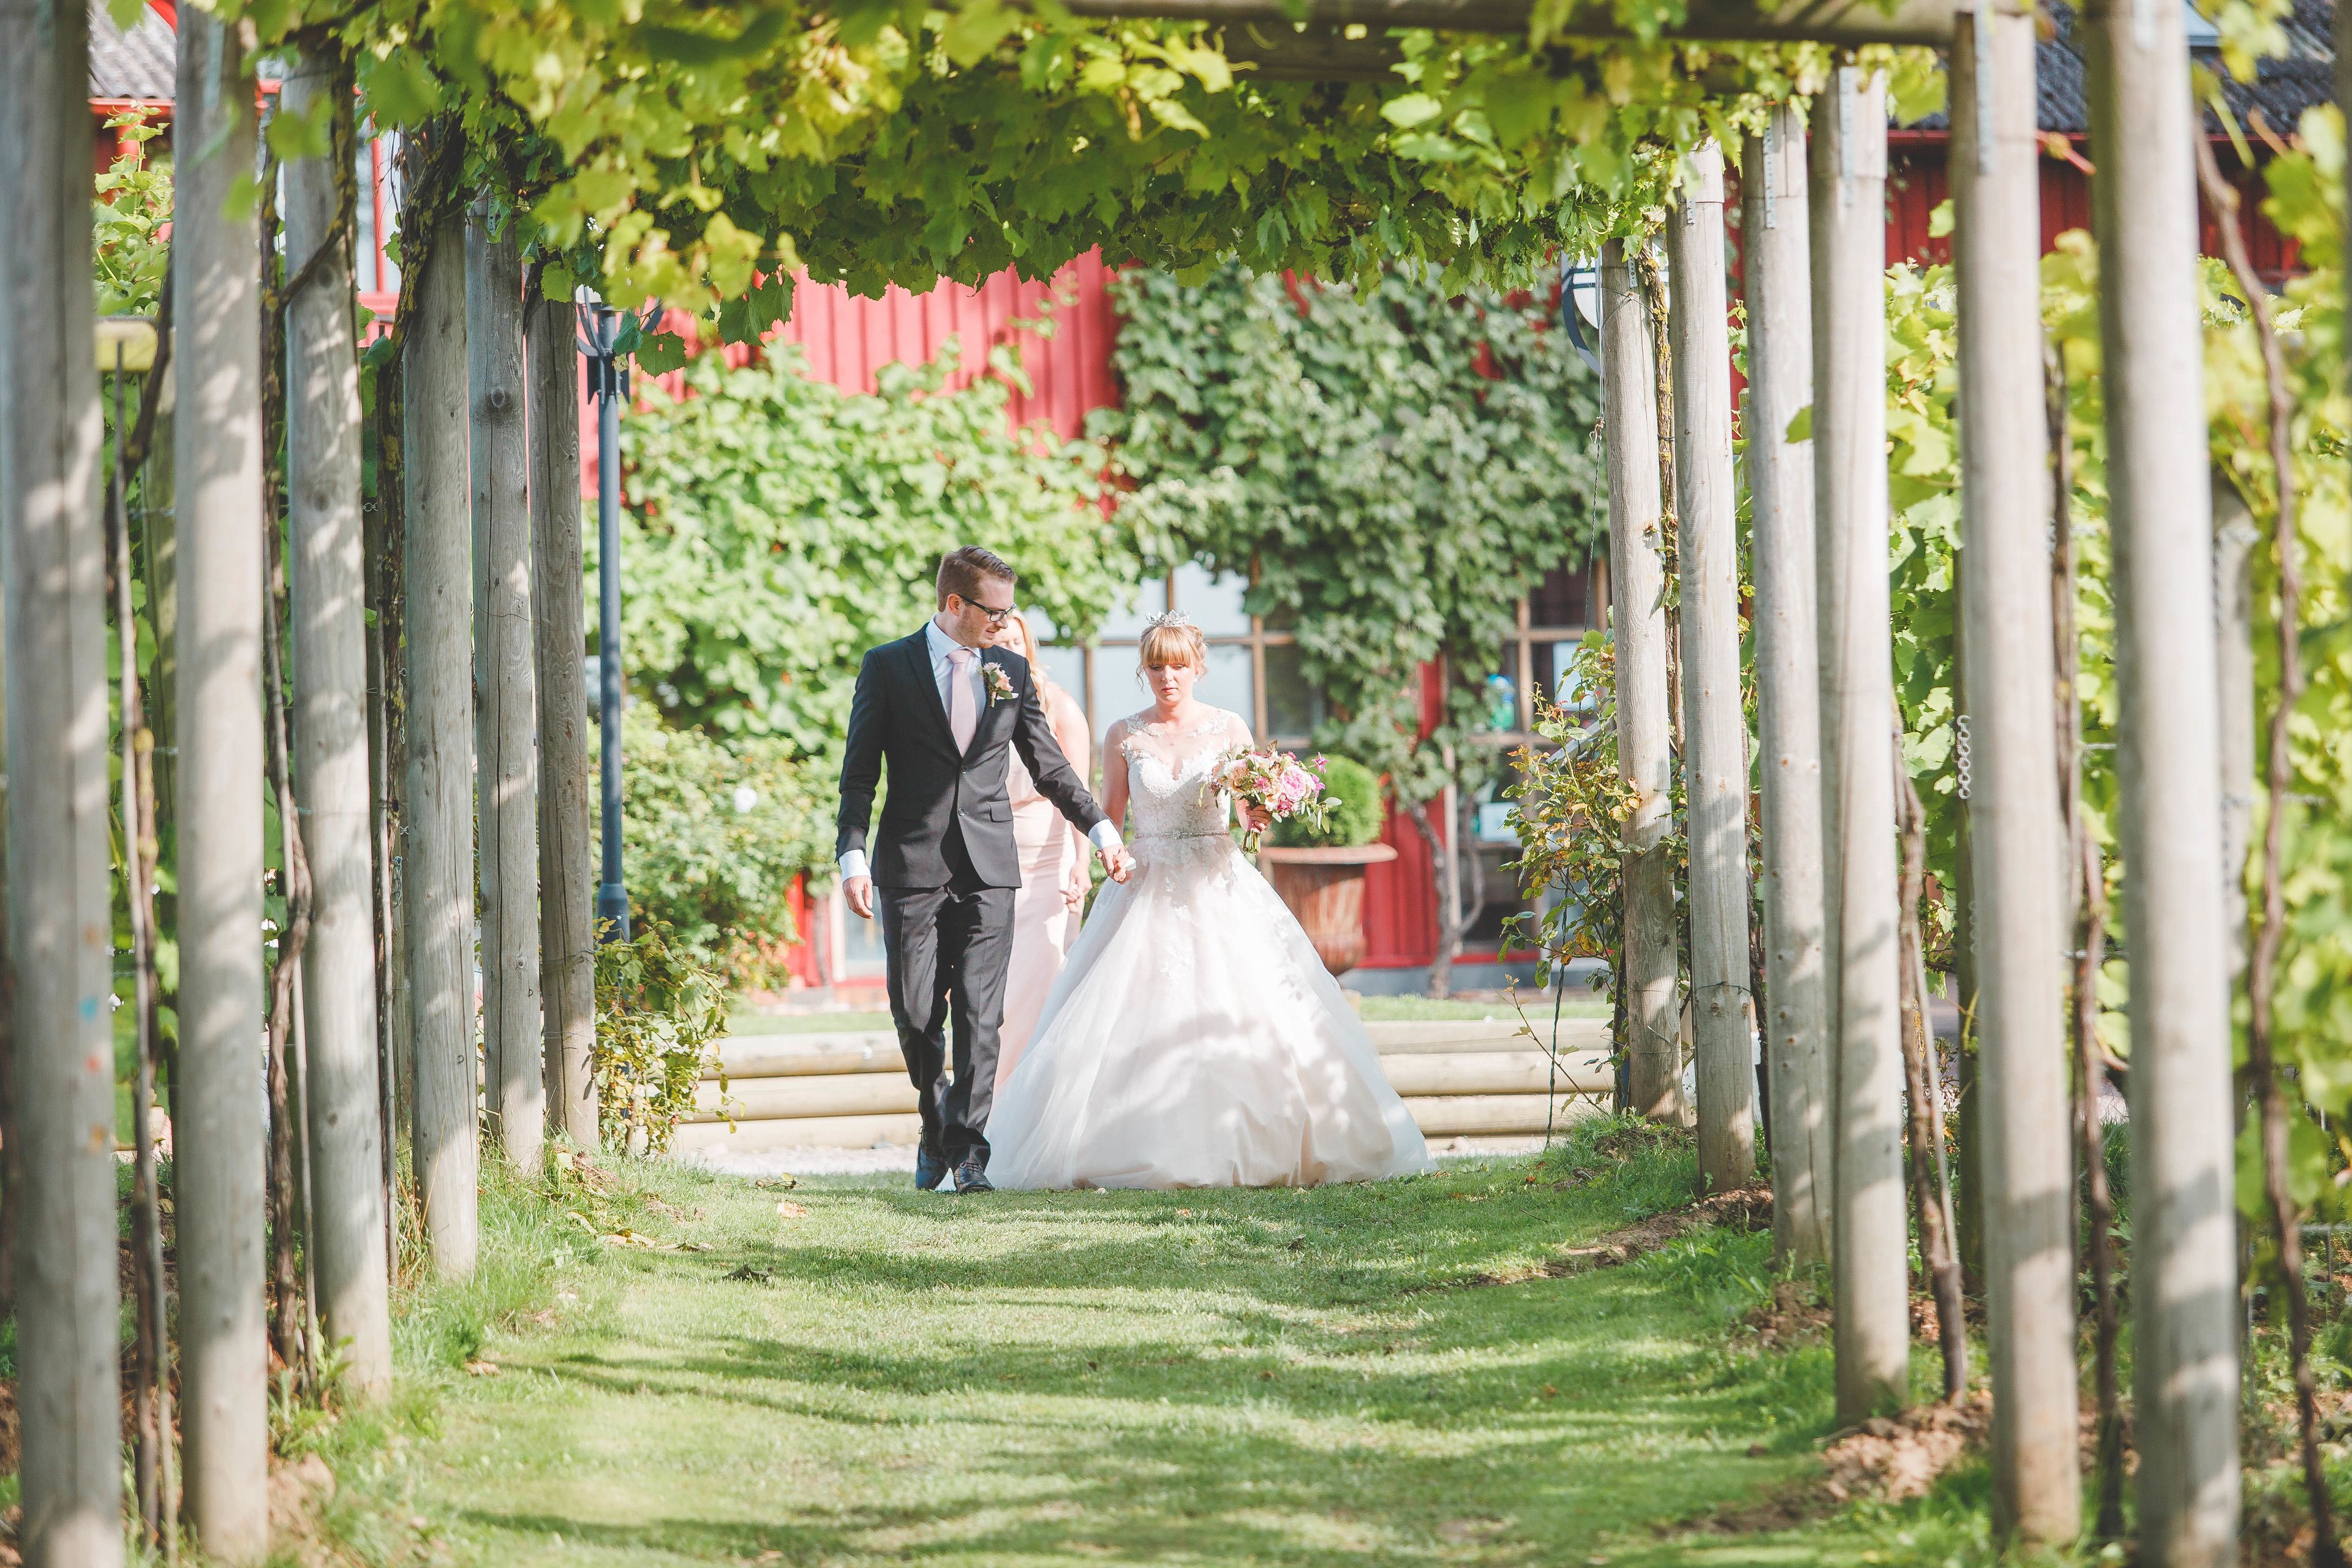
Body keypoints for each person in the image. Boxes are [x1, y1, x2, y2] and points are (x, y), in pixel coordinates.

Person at [987, 612, 1435, 1189]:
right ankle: (1126, 1145)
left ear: (1197, 666)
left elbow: (1251, 817)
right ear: (1143, 671)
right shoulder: (1124, 734)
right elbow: (1109, 815)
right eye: (1155, 666)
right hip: (1144, 887)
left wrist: (1263, 809)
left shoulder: (1228, 729)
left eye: (1177, 666)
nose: (1167, 677)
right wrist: (1110, 855)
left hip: (1218, 882)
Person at [835, 547, 1132, 1194]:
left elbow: (1051, 767)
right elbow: (859, 772)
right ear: (954, 606)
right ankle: (936, 1117)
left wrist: (1102, 829)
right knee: (915, 1013)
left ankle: (970, 1153)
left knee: (980, 1012)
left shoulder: (1010, 670)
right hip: (911, 864)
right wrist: (851, 852)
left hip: (991, 866)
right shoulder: (887, 667)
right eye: (993, 615)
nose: (1004, 626)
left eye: (1009, 614)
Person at [987, 609, 1092, 1095]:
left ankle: (1036, 1101)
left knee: (1042, 983)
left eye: (1016, 639)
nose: (1007, 646)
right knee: (997, 992)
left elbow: (1080, 792)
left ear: (1028, 644)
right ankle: (990, 1105)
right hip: (989, 862)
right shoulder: (974, 703)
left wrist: (1082, 864)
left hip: (1049, 866)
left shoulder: (1058, 706)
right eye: (999, 638)